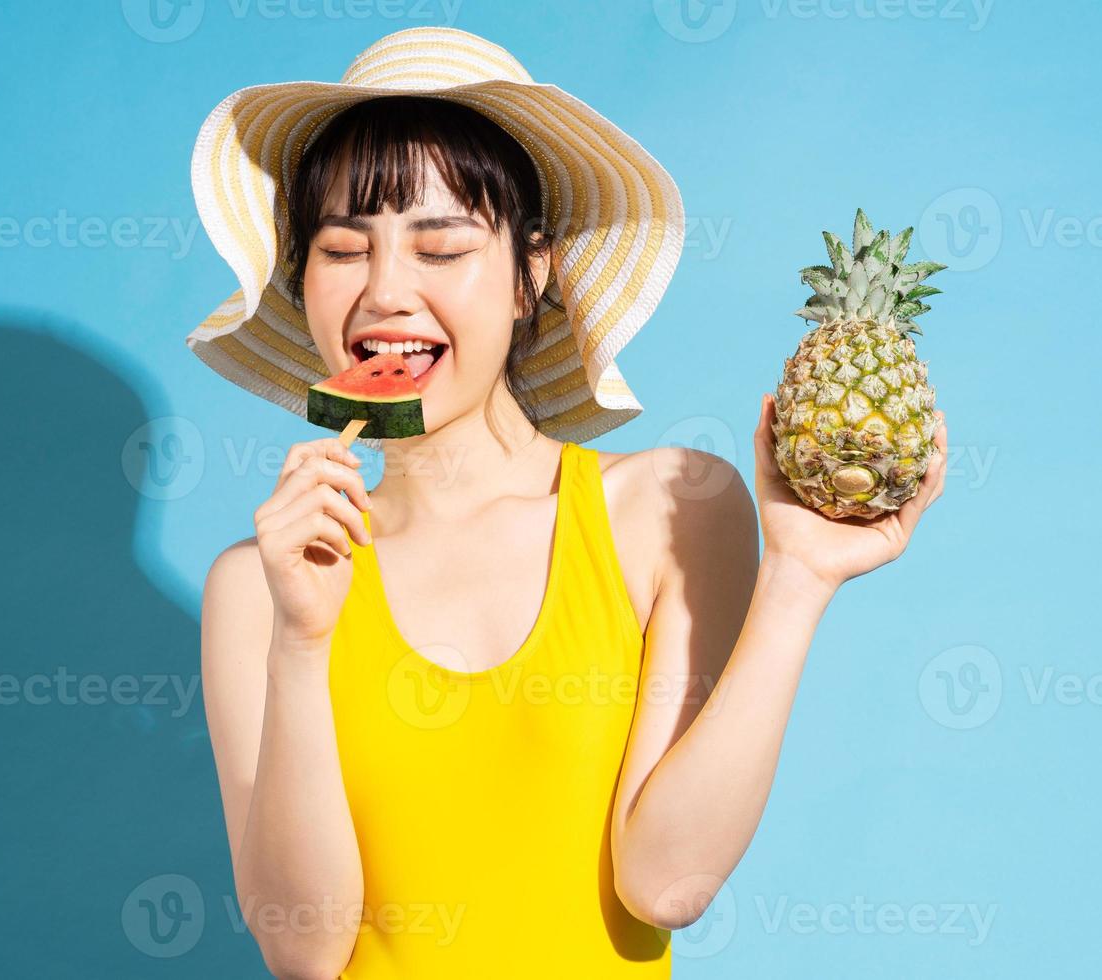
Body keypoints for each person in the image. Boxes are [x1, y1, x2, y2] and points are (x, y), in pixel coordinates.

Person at [193, 27, 947, 980]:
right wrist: (301, 646)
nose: (384, 292)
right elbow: (302, 951)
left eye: (441, 248)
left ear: (529, 273)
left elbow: (665, 885)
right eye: (343, 250)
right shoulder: (258, 587)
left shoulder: (669, 510)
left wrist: (797, 577)